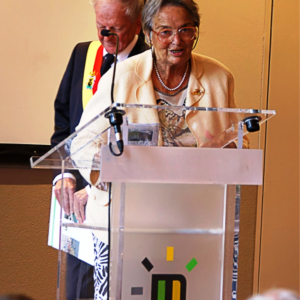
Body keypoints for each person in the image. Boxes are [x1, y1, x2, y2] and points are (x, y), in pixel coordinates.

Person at [71, 0, 249, 298]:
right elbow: (83, 142)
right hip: (127, 221)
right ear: (150, 33)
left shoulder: (219, 77)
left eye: (185, 30)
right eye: (165, 31)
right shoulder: (121, 78)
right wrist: (105, 175)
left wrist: (229, 150)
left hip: (197, 220)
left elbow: (237, 139)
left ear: (196, 33)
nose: (176, 40)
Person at [50, 0, 148, 299]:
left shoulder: (151, 62)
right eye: (100, 26)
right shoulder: (84, 54)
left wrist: (103, 183)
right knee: (80, 288)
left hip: (132, 206)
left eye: (115, 28)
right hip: (80, 203)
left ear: (137, 25)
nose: (105, 35)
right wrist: (63, 175)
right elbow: (65, 123)